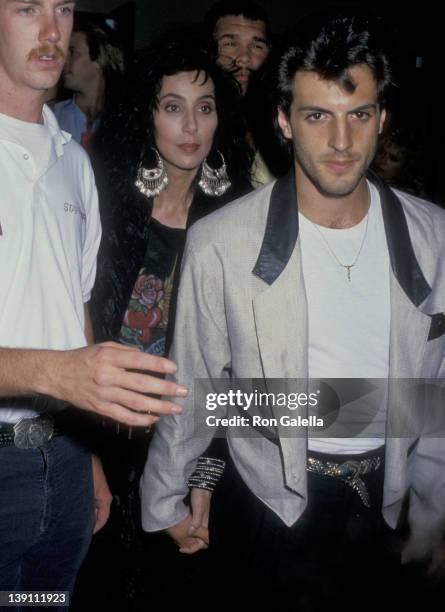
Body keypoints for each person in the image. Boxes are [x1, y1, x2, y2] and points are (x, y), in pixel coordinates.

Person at [141, 10, 445, 610]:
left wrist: (436, 516)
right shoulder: (222, 241)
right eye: (316, 116)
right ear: (283, 120)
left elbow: (434, 398)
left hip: (390, 502)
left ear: (382, 118)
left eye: (358, 115)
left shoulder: (434, 236)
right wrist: (163, 500)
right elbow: (197, 390)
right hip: (268, 507)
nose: (340, 142)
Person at [0, 0, 186, 599]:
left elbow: (73, 310)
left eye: (63, 8)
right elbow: (67, 366)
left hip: (64, 464)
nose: (53, 31)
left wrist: (88, 456)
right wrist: (60, 375)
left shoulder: (75, 162)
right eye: (28, 8)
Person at [69, 30, 251, 609]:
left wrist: (202, 477)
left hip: (199, 444)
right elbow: (78, 332)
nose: (191, 128)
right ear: (148, 116)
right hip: (102, 442)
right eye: (173, 108)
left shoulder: (240, 220)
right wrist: (89, 451)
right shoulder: (104, 202)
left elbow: (240, 371)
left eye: (205, 108)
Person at [204, 1, 279, 188]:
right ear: (209, 50)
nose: (244, 57)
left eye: (257, 46)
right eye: (230, 43)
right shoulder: (194, 124)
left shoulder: (284, 122)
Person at [53, 15, 124, 151]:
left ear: (100, 58)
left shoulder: (124, 119)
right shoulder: (53, 117)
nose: (63, 61)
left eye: (73, 53)